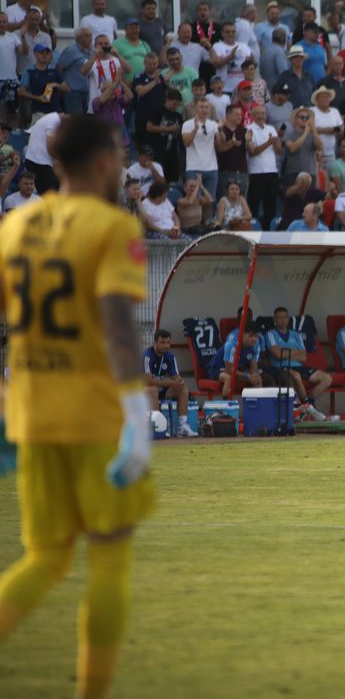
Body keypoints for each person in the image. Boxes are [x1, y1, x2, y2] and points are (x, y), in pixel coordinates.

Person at [0, 114, 157, 699]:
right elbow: (118, 327)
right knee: (110, 559)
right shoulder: (113, 228)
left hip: (34, 416)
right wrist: (138, 420)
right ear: (102, 161)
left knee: (45, 558)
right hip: (95, 416)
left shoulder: (15, 228)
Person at [144, 329, 197, 438]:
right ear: (155, 342)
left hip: (161, 390)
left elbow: (177, 378)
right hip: (143, 390)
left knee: (182, 388)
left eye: (168, 343)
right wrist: (169, 382)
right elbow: (148, 380)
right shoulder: (147, 356)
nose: (166, 346)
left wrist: (179, 382)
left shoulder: (170, 357)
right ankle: (157, 426)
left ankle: (182, 426)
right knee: (153, 388)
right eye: (162, 343)